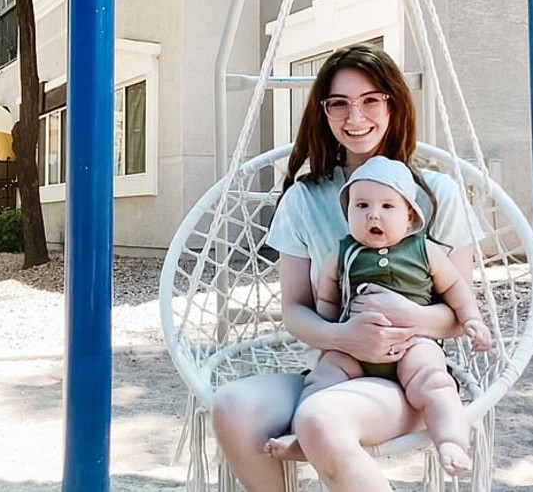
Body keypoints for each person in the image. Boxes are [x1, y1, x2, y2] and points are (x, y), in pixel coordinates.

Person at [211, 43, 484, 492]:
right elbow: (296, 310)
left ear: (394, 104)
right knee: (233, 406)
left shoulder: (438, 193)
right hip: (338, 368)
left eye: (371, 100)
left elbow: (459, 315)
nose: (355, 117)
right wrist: (345, 337)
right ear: (323, 113)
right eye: (338, 103)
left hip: (413, 373)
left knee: (320, 418)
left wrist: (410, 318)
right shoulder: (305, 198)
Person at [264, 155, 492, 475]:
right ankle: (302, 438)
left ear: (409, 216)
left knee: (435, 382)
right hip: (353, 350)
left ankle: (451, 441)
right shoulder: (342, 253)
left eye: (387, 206)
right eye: (361, 206)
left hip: (412, 343)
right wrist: (333, 336)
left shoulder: (424, 250)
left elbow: (456, 287)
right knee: (321, 379)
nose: (374, 214)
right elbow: (327, 298)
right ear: (347, 214)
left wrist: (472, 320)